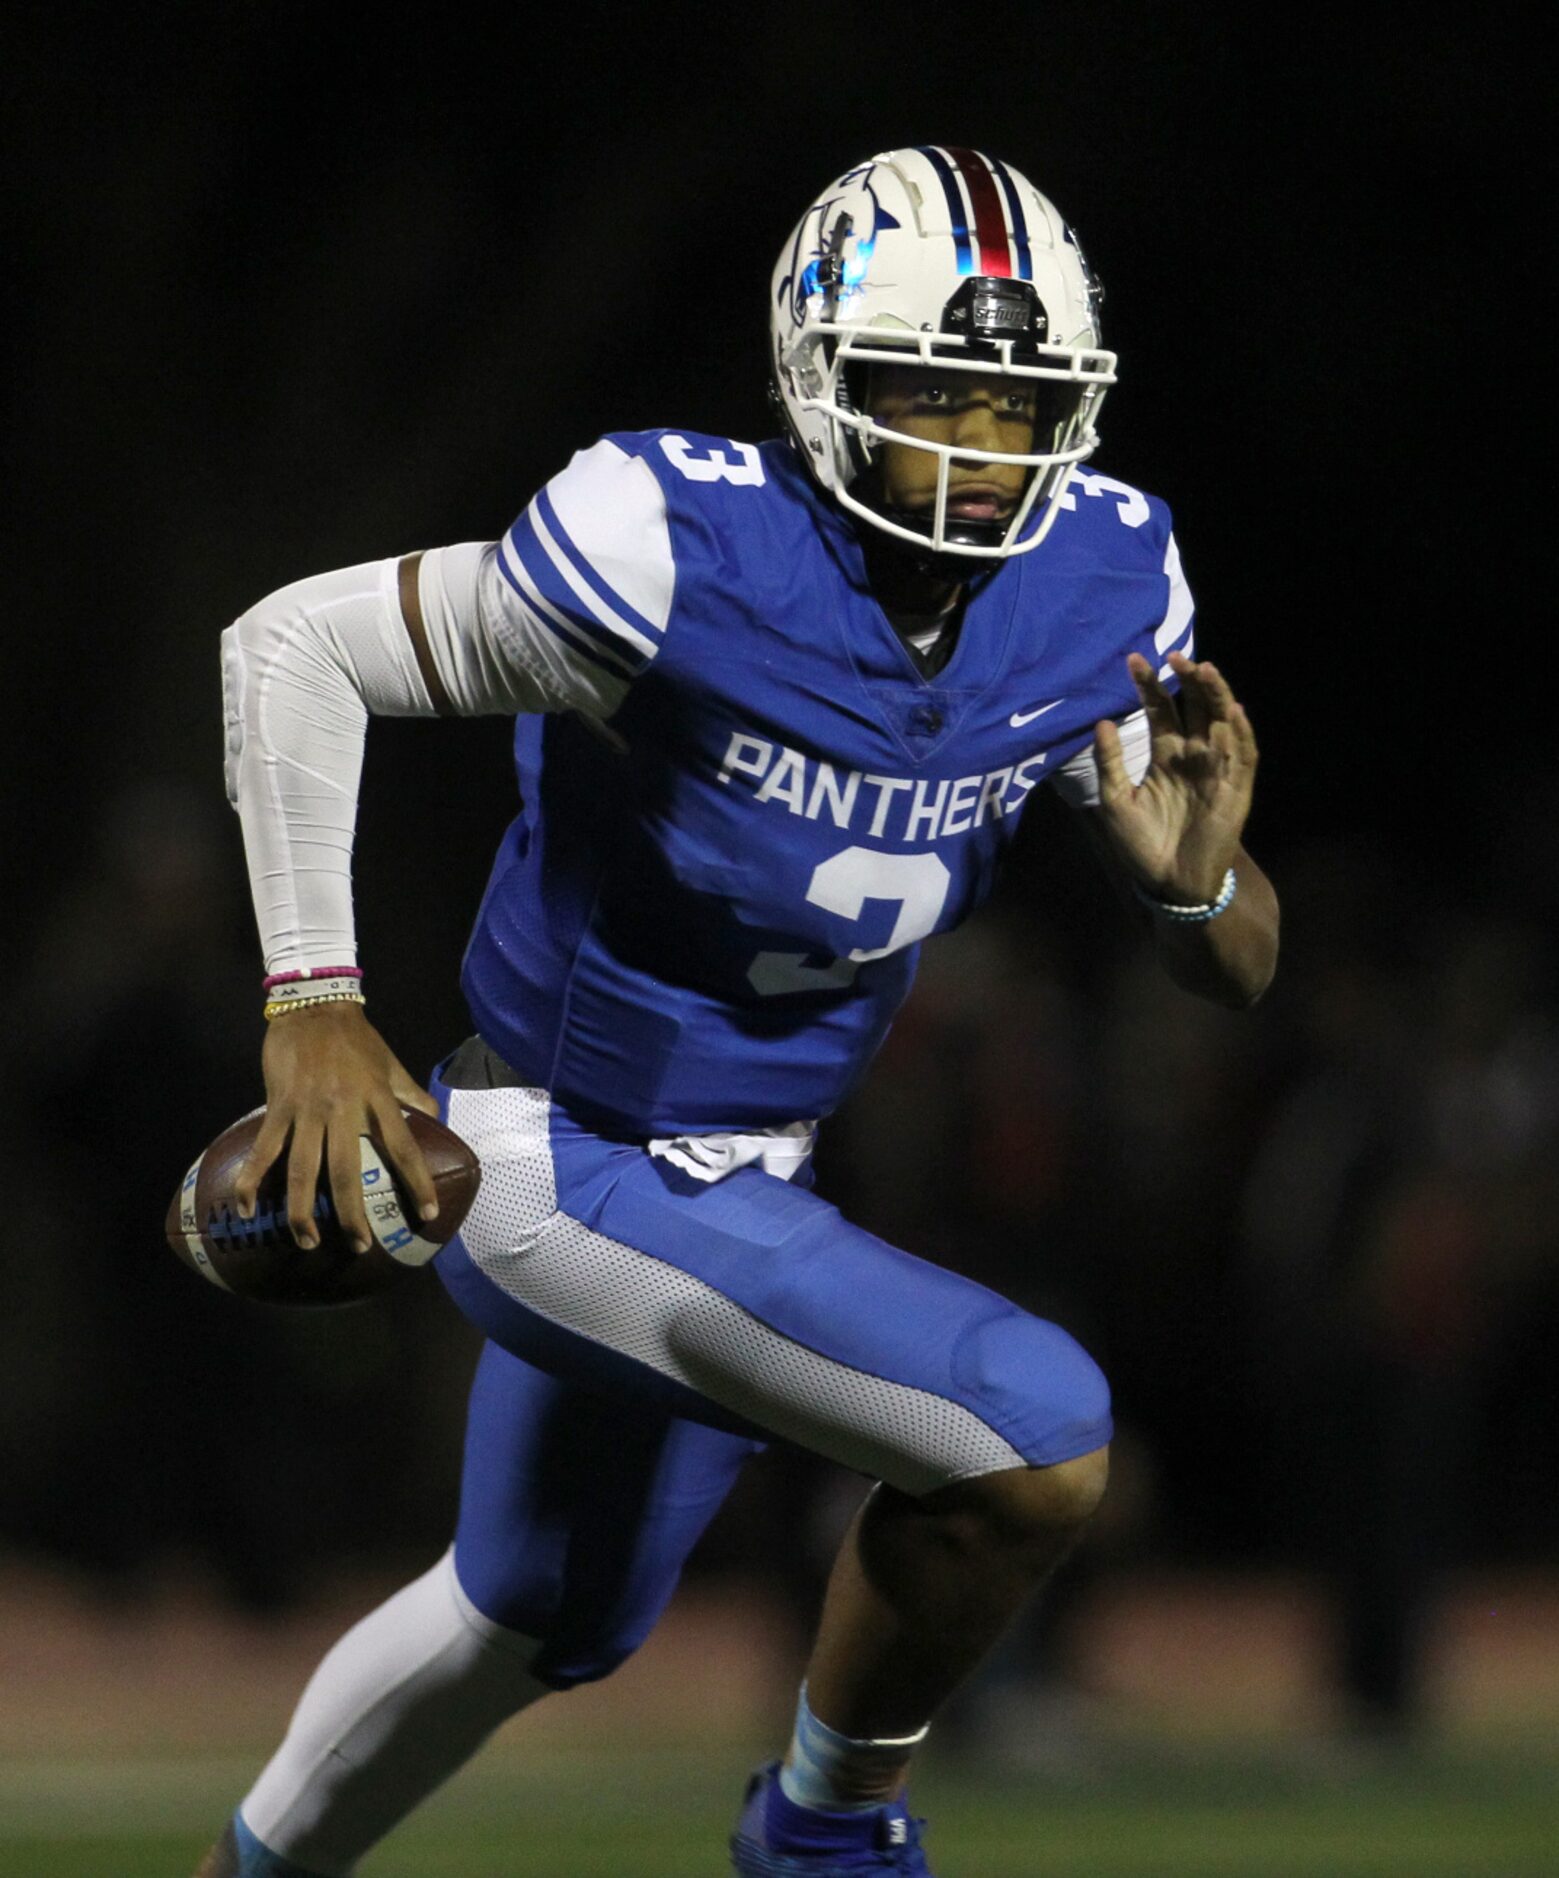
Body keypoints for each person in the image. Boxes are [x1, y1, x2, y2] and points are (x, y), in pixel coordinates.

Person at [196, 146, 1277, 1878]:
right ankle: (824, 1834)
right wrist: (313, 999)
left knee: (533, 1613)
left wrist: (1194, 883)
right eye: (933, 395)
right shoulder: (675, 544)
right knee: (1037, 1434)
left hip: (752, 1164)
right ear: (818, 379)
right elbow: (292, 649)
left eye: (1019, 408)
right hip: (549, 1152)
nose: (979, 454)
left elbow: (1237, 964)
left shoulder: (1105, 584)